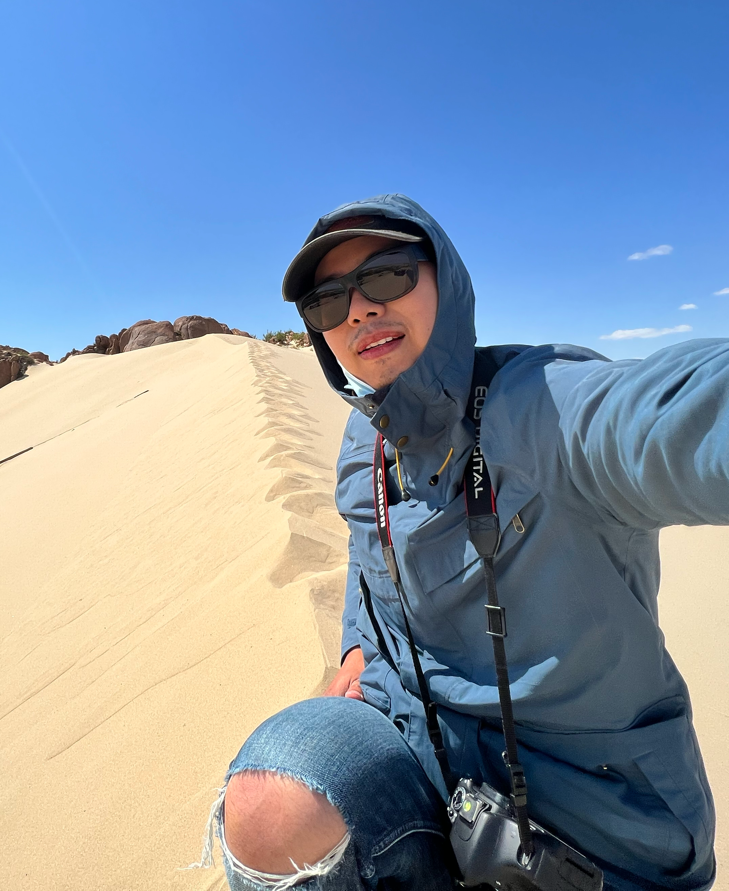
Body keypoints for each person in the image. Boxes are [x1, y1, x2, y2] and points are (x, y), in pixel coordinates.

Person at [204, 194, 722, 891]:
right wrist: (358, 648)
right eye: (327, 302)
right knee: (270, 802)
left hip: (594, 820)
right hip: (429, 770)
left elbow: (670, 417)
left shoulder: (542, 411)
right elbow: (366, 549)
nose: (356, 311)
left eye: (385, 275)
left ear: (444, 280)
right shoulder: (365, 438)